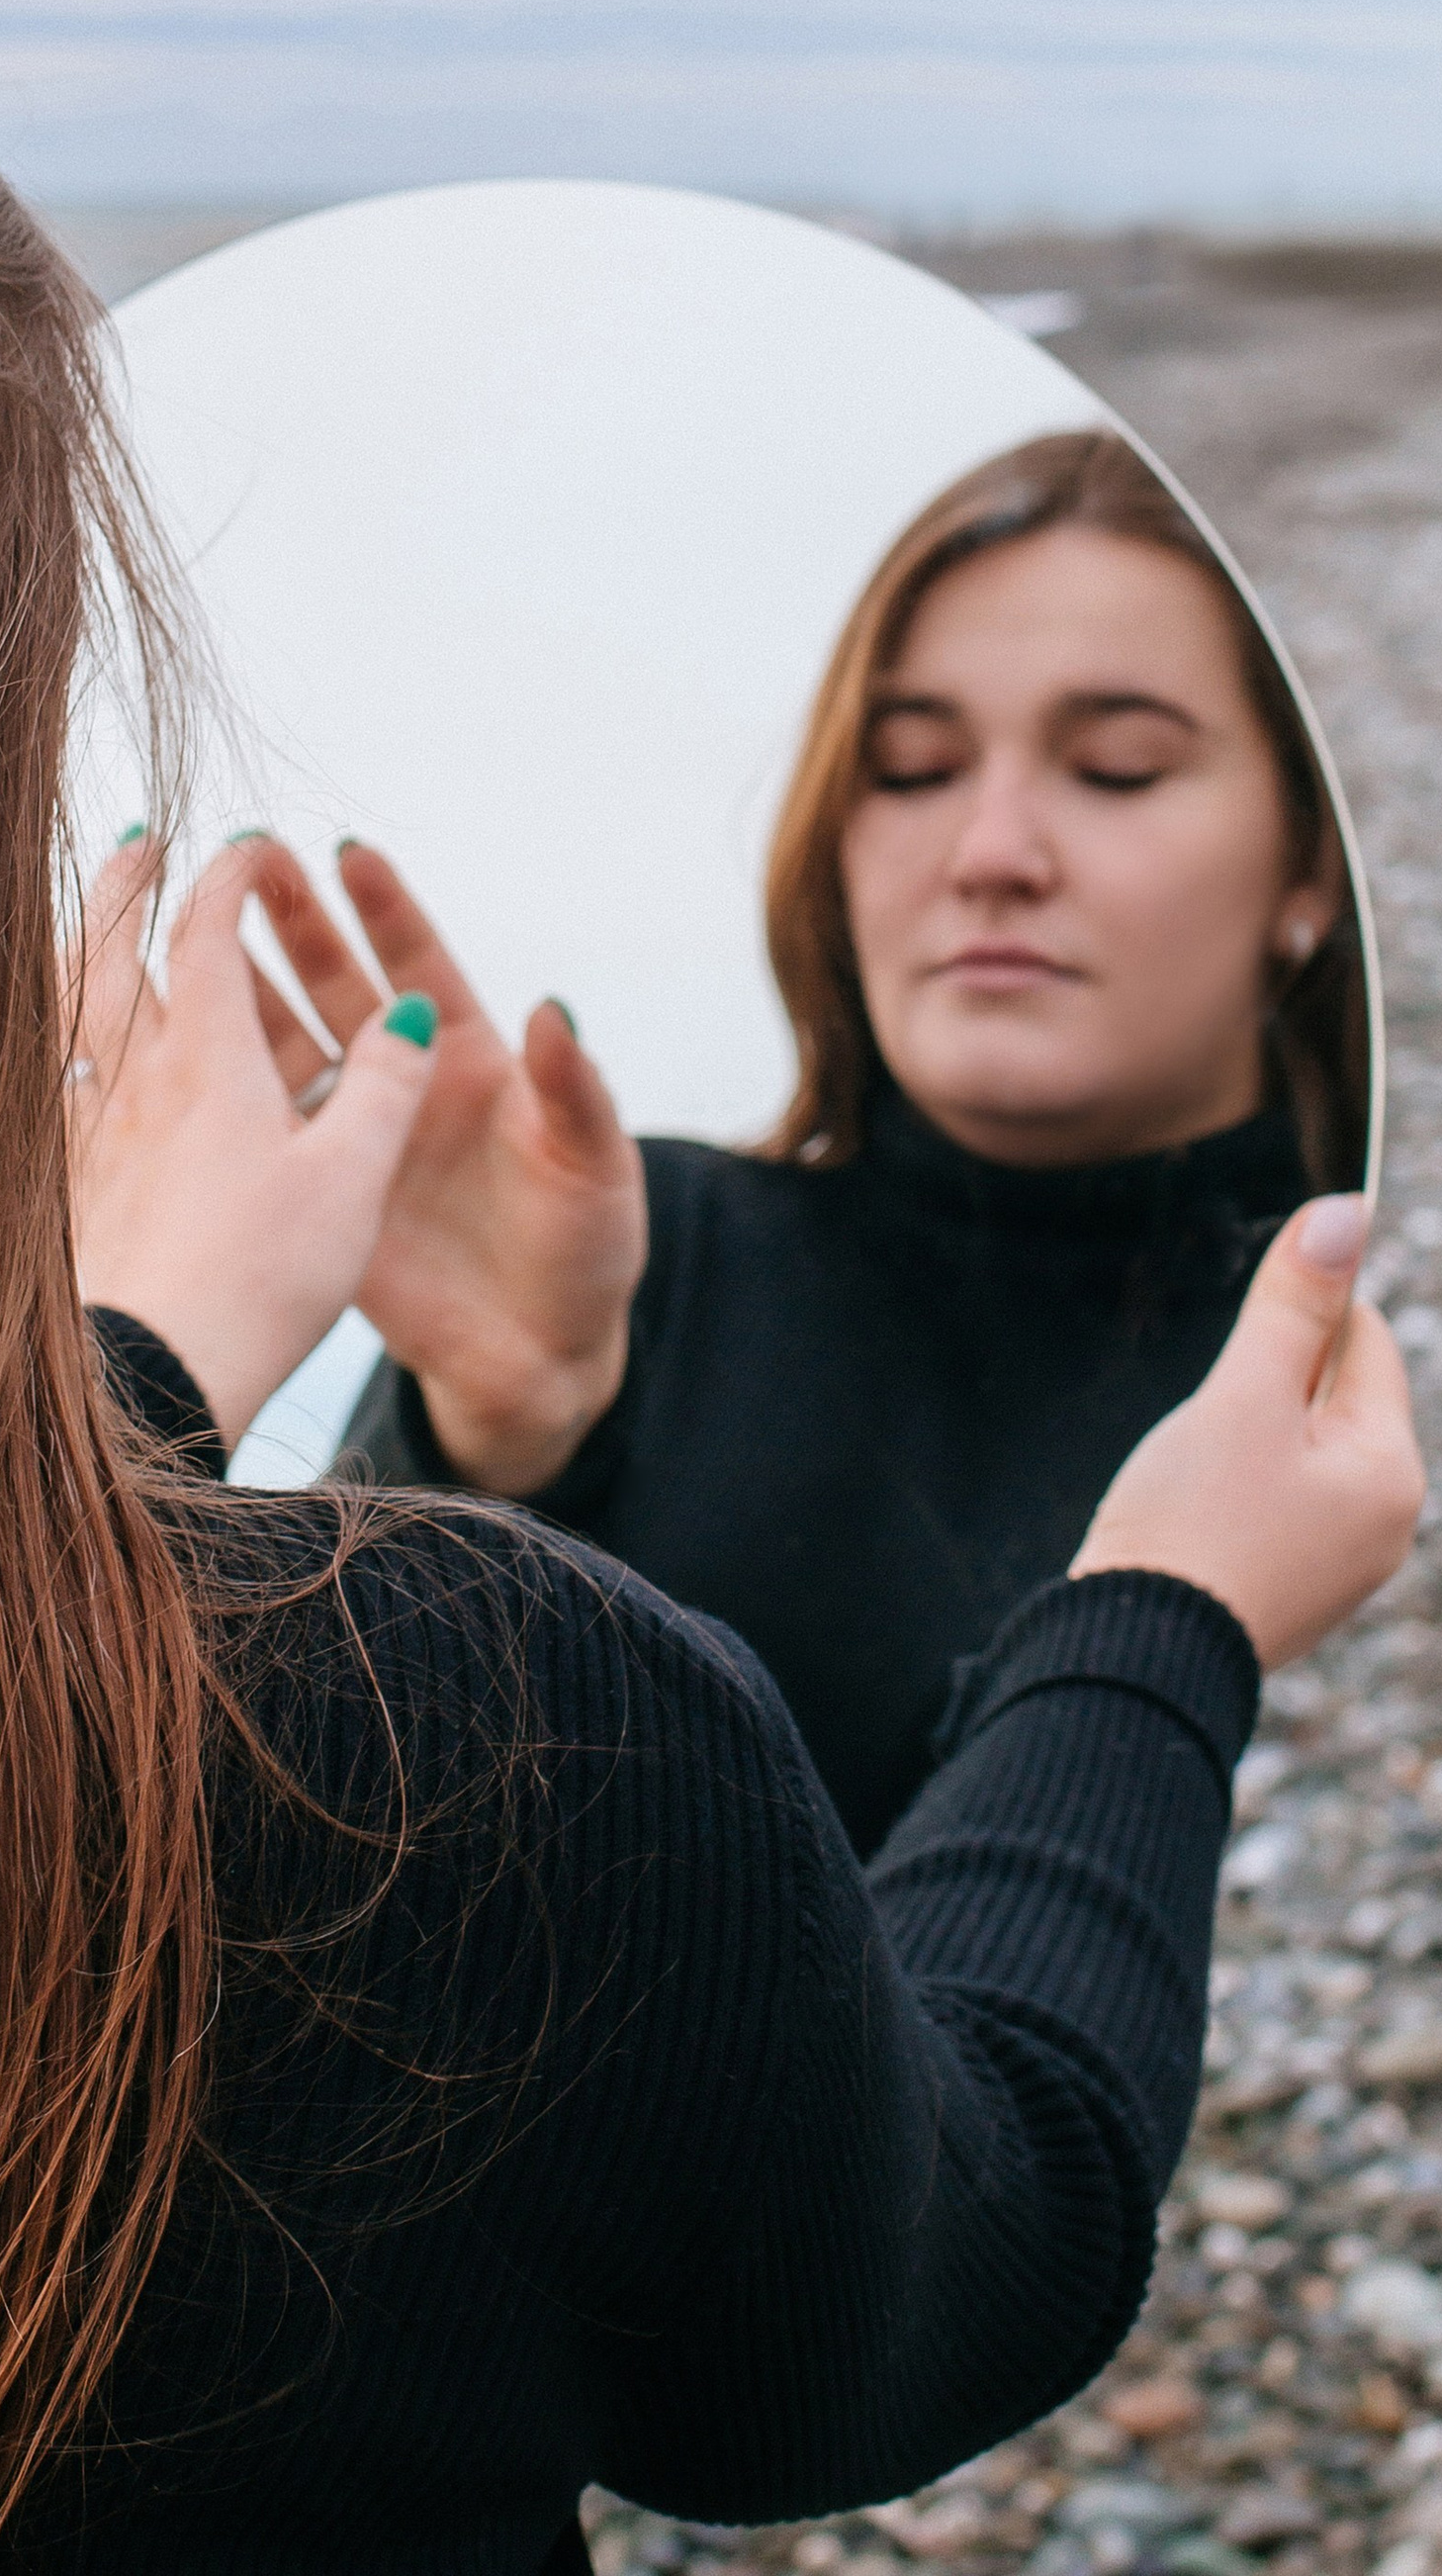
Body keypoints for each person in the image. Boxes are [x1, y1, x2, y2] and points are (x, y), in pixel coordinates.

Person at [0, 0, 1420, 2576]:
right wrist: (1162, 1618)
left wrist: (185, 1378)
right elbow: (918, 2268)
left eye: (1115, 761)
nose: (996, 844)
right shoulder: (450, 1746)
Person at [284, 434, 1369, 1850]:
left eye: (1116, 768)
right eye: (912, 768)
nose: (992, 849)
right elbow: (282, 1879)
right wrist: (477, 1457)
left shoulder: (1366, 1364)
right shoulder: (632, 1263)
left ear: (1307, 868)